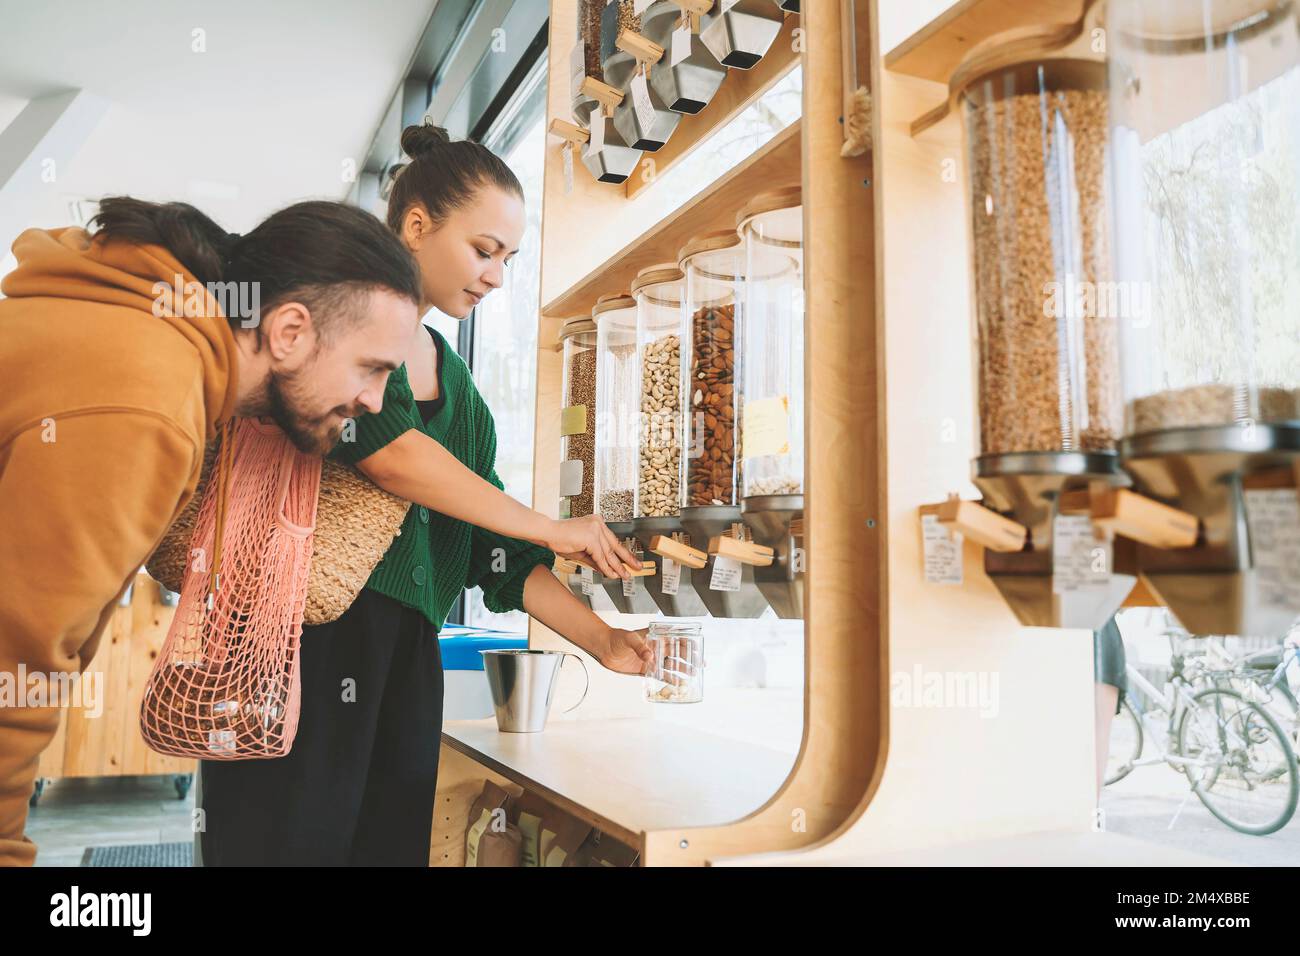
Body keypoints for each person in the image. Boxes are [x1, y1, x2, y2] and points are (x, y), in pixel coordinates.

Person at [0, 197, 633, 866]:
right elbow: (18, 667)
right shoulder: (146, 397)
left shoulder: (165, 370)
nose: (371, 401)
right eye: (371, 370)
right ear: (291, 331)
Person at [198, 124, 655, 866]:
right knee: (279, 844)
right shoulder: (338, 327)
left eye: (509, 258)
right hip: (299, 637)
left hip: (410, 654)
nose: (498, 277)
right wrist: (554, 525)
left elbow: (490, 549)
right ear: (416, 224)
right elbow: (389, 455)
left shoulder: (465, 397)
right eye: (484, 250)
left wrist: (601, 639)